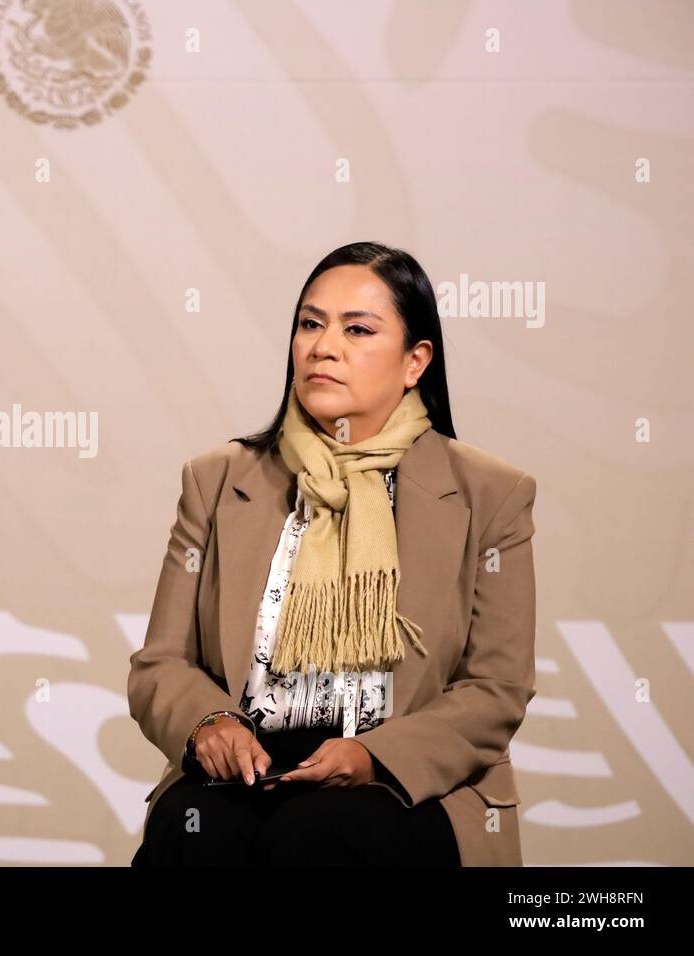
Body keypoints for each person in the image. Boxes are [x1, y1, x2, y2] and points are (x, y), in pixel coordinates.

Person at [128, 241, 536, 867]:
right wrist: (209, 723)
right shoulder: (218, 480)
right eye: (310, 324)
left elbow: (495, 689)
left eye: (358, 330)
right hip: (249, 769)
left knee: (320, 838)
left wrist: (377, 754)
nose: (324, 346)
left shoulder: (490, 494)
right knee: (197, 836)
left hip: (404, 781)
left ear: (415, 361)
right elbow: (161, 664)